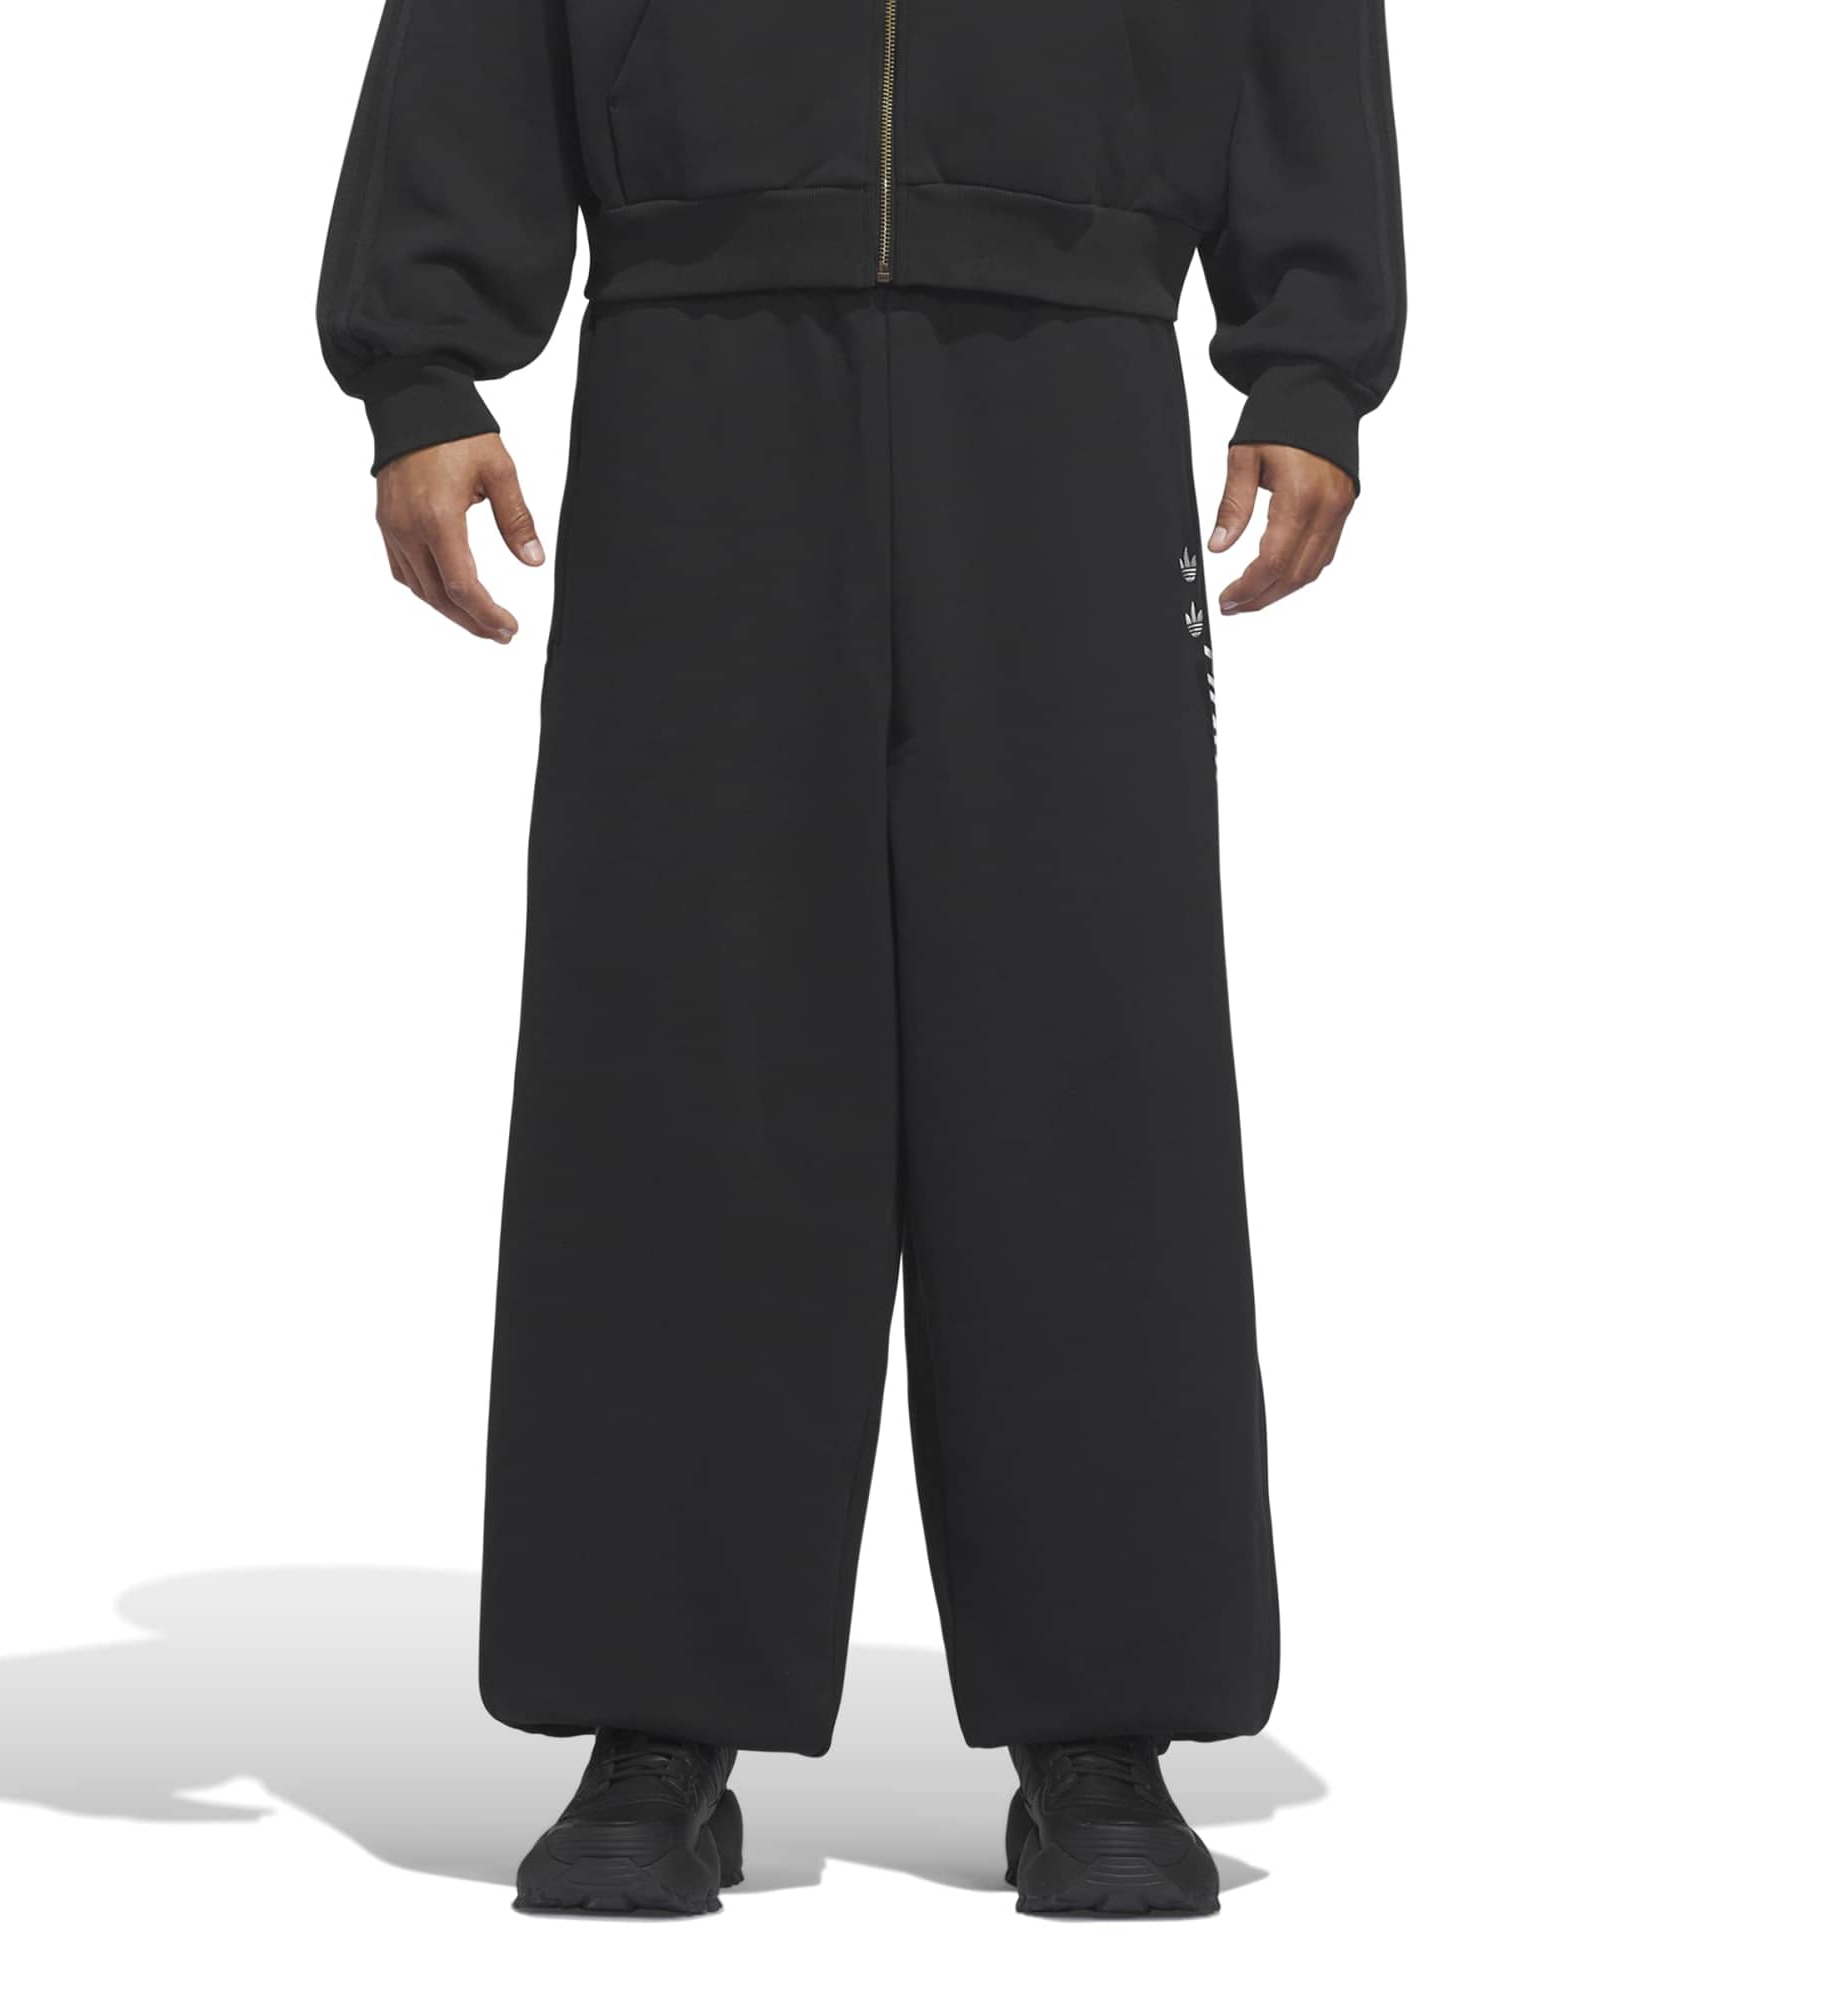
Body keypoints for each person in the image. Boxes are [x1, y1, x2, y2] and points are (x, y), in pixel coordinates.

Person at [319, 0, 1403, 1919]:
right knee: (681, 1035)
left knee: (1088, 1050)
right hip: (697, 376)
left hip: (1070, 385)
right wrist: (424, 364)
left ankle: (1103, 1722)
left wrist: (1310, 353)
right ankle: (656, 1716)